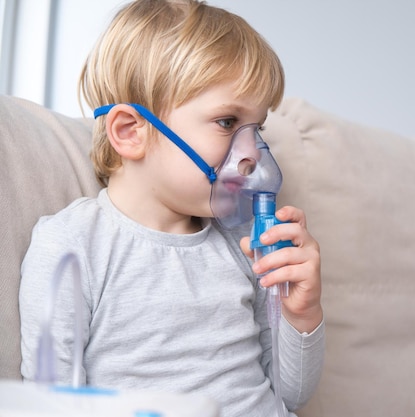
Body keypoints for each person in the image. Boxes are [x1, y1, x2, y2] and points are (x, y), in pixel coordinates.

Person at [18, 1, 324, 416]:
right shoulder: (72, 245)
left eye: (258, 128)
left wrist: (300, 312)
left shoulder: (245, 240)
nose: (252, 153)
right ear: (130, 132)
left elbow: (291, 394)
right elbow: (51, 404)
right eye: (228, 122)